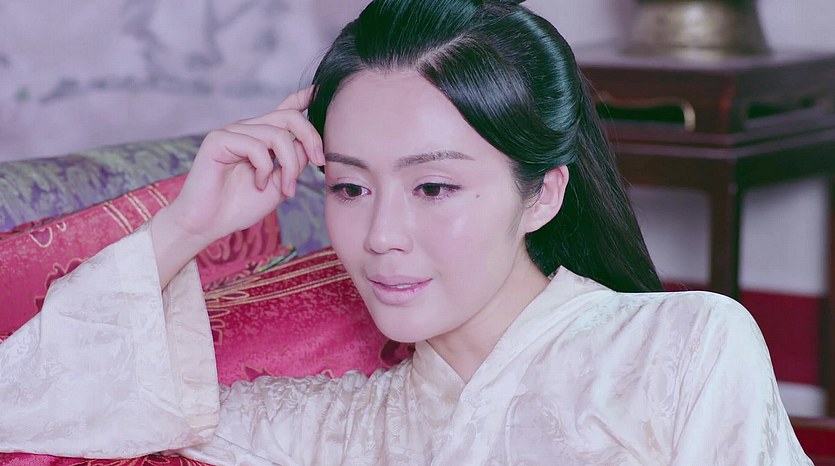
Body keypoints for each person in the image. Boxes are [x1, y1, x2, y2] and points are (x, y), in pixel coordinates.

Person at [0, 0, 812, 464]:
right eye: (349, 187)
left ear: (542, 194)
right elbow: (31, 406)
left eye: (433, 187)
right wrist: (189, 223)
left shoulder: (680, 347)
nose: (381, 235)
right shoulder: (321, 429)